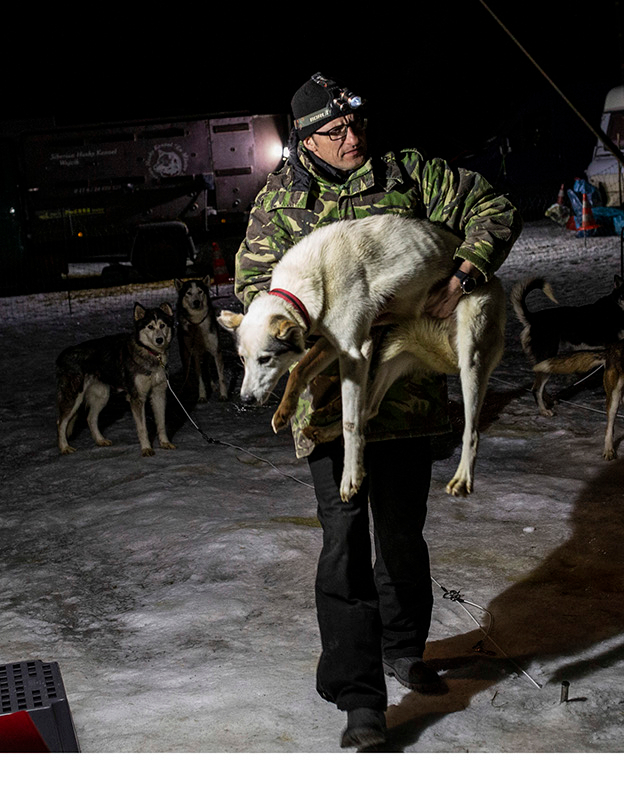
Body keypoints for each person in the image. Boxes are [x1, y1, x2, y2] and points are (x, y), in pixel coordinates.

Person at [231, 72, 520, 751]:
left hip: (410, 394)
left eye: (358, 124)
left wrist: (463, 275)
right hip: (329, 407)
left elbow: (492, 207)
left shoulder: (409, 173)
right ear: (305, 139)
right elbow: (255, 291)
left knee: (399, 536)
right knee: (343, 545)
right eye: (335, 131)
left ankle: (401, 647)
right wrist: (313, 321)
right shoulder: (278, 207)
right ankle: (360, 697)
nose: (353, 137)